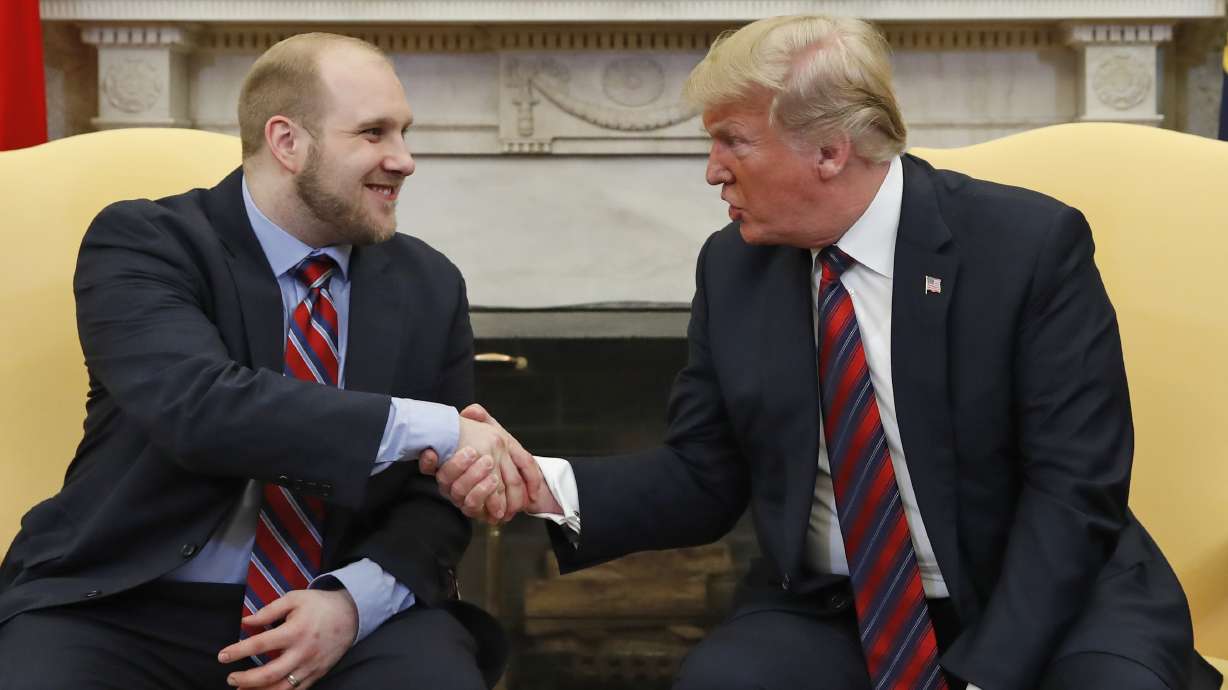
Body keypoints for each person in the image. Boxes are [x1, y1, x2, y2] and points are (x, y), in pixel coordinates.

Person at [424, 14, 1223, 690]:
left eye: (734, 142)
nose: (712, 172)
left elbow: (1073, 488)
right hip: (837, 606)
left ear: (831, 152)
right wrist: (538, 483)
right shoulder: (735, 267)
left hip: (1048, 593)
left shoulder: (1026, 246)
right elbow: (702, 475)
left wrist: (988, 675)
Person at [0, 32, 537, 690]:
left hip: (340, 605)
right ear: (287, 142)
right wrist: (442, 428)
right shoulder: (145, 243)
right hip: (124, 603)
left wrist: (352, 602)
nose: (403, 159)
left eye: (404, 132)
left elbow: (435, 498)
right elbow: (201, 409)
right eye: (372, 133)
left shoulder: (428, 282)